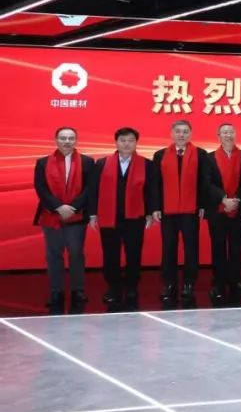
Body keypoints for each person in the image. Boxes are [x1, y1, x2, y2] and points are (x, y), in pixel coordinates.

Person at [151, 119, 223, 301]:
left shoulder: (200, 154)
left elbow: (204, 182)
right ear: (172, 134)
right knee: (169, 247)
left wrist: (203, 205)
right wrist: (155, 207)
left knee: (191, 248)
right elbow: (155, 184)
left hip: (191, 210)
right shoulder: (160, 155)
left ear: (190, 134)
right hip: (167, 210)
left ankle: (189, 283)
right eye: (178, 131)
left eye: (185, 131)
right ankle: (169, 283)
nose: (181, 135)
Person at [89, 127, 153, 309]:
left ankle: (132, 286)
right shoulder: (102, 163)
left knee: (133, 253)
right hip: (109, 216)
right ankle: (113, 287)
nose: (126, 144)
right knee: (110, 254)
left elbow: (151, 191)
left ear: (136, 143)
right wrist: (92, 213)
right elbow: (93, 190)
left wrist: (150, 212)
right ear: (116, 142)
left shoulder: (146, 164)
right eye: (123, 140)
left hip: (135, 217)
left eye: (131, 140)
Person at [33, 126, 95, 311]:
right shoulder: (43, 162)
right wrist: (58, 207)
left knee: (76, 254)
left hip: (77, 216)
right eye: (63, 138)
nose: (67, 141)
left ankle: (78, 291)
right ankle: (56, 292)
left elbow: (89, 189)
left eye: (70, 138)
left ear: (76, 140)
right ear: (56, 140)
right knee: (53, 255)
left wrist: (73, 207)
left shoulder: (87, 162)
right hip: (51, 215)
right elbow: (41, 189)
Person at [207, 123, 241, 302]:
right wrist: (223, 199)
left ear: (235, 134)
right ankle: (218, 282)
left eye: (231, 132)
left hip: (238, 208)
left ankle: (235, 281)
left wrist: (235, 201)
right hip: (217, 209)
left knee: (236, 247)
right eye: (224, 132)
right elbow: (207, 183)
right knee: (218, 247)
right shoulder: (209, 157)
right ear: (218, 136)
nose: (228, 135)